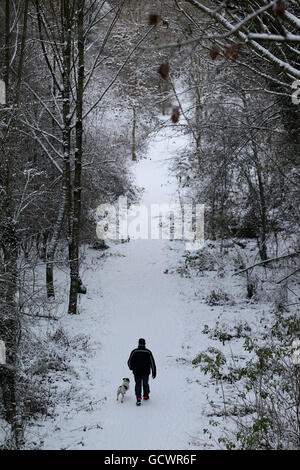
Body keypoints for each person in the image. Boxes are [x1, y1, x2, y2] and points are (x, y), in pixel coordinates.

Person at [127, 338, 156, 406]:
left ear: (138, 343)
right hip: (146, 373)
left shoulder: (134, 351)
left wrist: (132, 368)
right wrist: (154, 372)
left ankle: (138, 399)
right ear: (145, 343)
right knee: (145, 384)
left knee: (138, 384)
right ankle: (145, 396)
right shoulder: (148, 352)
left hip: (137, 372)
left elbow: (129, 362)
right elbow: (152, 363)